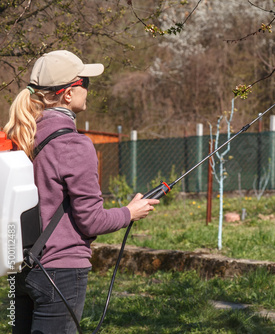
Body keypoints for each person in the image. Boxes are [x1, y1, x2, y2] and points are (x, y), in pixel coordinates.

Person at [3, 50, 160, 334]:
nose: (88, 90)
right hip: (60, 273)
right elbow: (92, 221)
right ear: (67, 94)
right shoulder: (75, 145)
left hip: (20, 271)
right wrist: (129, 212)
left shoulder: (20, 135)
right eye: (85, 82)